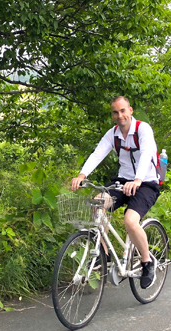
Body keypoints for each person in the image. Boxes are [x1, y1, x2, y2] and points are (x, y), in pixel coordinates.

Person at [71, 96, 160, 289]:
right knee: (96, 205)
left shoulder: (143, 129)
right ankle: (104, 255)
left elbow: (146, 154)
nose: (119, 116)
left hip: (145, 183)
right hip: (122, 182)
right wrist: (82, 174)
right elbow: (98, 153)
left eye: (123, 111)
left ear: (130, 110)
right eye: (115, 112)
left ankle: (147, 262)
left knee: (130, 221)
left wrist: (137, 179)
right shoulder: (113, 134)